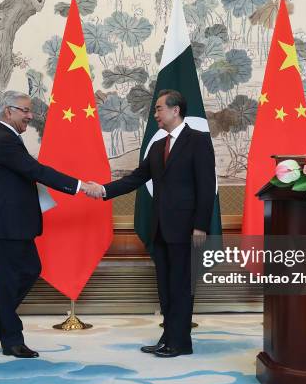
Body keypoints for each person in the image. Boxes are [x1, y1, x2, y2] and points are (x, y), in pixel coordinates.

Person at [85, 89, 216, 357]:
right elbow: (135, 178)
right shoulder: (157, 146)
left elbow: (206, 186)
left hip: (187, 229)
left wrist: (200, 225)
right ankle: (169, 337)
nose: (155, 114)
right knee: (166, 287)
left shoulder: (198, 140)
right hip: (161, 229)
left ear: (175, 110)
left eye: (158, 109)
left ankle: (180, 342)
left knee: (181, 286)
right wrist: (103, 190)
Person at [0, 90, 99, 358]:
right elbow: (36, 171)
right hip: (6, 226)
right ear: (8, 111)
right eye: (25, 110)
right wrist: (81, 186)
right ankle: (12, 340)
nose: (30, 116)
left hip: (16, 225)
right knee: (9, 283)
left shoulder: (9, 138)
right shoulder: (3, 140)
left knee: (30, 270)